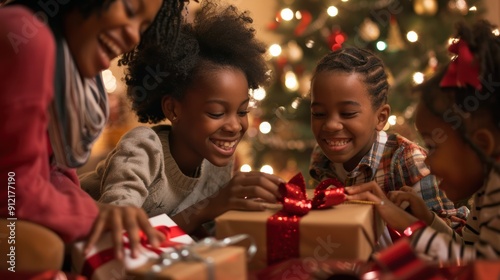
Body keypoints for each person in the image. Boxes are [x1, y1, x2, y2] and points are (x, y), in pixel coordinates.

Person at [0, 0, 189, 271]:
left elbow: (49, 171)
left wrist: (100, 213)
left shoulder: (64, 68)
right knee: (41, 249)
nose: (134, 35)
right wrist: (92, 216)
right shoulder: (26, 37)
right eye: (129, 9)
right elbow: (14, 191)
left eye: (143, 27)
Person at [79, 0, 283, 236]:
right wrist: (208, 207)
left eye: (242, 111)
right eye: (216, 113)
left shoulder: (217, 164)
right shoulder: (142, 150)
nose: (235, 126)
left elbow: (197, 239)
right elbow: (119, 236)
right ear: (173, 109)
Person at [345, 20, 500, 260]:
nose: (428, 162)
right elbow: (465, 251)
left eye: (434, 146)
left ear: (481, 144)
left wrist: (403, 223)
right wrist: (424, 219)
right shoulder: (486, 191)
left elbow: (477, 270)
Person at [308, 47, 469, 247]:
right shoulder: (321, 157)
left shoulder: (410, 161)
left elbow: (456, 244)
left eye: (348, 113)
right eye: (319, 114)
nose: (330, 125)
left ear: (381, 117)